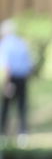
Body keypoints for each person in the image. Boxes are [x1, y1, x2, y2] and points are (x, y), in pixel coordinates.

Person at [0, 19, 33, 147]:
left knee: (6, 107)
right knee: (22, 107)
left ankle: (2, 134)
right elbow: (29, 64)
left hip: (12, 78)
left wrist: (7, 83)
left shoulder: (5, 44)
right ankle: (23, 134)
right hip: (23, 78)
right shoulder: (21, 43)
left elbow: (7, 66)